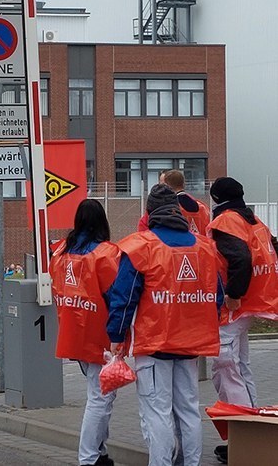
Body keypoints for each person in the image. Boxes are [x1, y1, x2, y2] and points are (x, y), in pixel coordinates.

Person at [107, 184, 223, 466]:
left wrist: (116, 336)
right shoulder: (204, 247)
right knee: (188, 410)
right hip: (191, 344)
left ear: (149, 213)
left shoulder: (141, 246)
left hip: (154, 342)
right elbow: (216, 296)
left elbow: (124, 296)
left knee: (157, 412)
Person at [205, 177, 278, 464]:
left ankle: (240, 430)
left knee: (224, 364)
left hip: (238, 304)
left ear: (215, 197)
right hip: (257, 301)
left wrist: (234, 294)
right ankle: (252, 427)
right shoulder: (254, 219)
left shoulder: (226, 222)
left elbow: (240, 261)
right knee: (240, 364)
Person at [49, 199, 120, 466]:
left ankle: (98, 452)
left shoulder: (61, 252)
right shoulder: (106, 253)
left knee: (101, 393)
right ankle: (89, 457)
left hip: (73, 328)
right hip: (100, 332)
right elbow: (116, 295)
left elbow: (58, 289)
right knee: (101, 397)